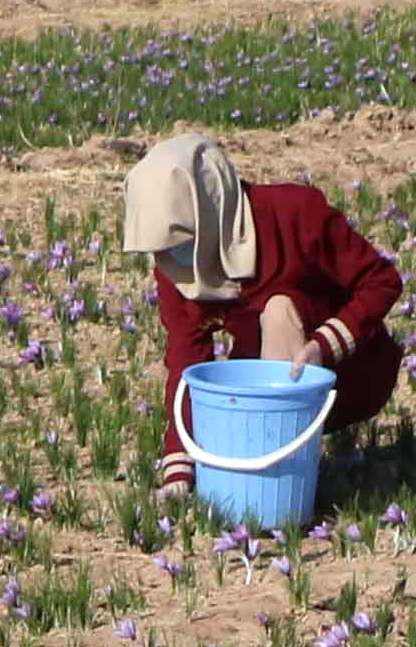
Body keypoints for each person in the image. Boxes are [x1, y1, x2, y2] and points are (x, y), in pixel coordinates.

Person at [124, 133, 401, 493]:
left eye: (179, 243)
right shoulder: (175, 267)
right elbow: (185, 362)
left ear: (211, 208)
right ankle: (265, 474)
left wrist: (323, 346)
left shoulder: (294, 214)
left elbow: (381, 281)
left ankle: (285, 487)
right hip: (259, 383)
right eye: (159, 250)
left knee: (278, 309)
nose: (169, 259)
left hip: (349, 366)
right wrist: (179, 467)